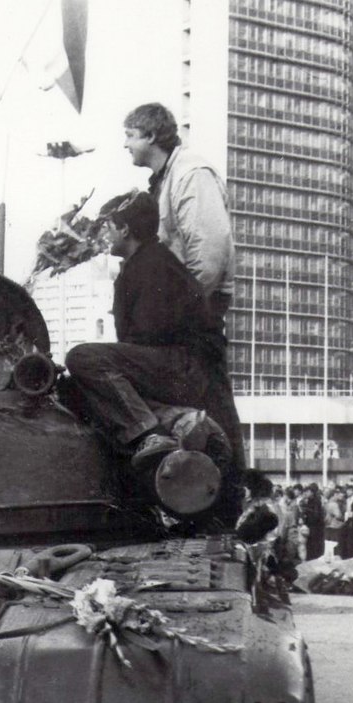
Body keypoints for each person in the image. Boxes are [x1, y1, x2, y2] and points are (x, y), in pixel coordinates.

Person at [64, 191, 226, 466]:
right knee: (77, 386)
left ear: (125, 229)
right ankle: (170, 420)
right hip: (180, 367)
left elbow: (148, 335)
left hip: (183, 368)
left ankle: (149, 433)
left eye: (109, 226)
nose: (105, 234)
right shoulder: (147, 262)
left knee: (82, 358)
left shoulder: (151, 265)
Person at [123, 102, 244, 470]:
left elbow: (208, 250)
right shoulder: (167, 177)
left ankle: (230, 488)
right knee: (202, 399)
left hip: (194, 310)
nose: (125, 145)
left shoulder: (190, 173)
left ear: (151, 136)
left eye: (130, 135)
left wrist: (178, 311)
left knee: (211, 400)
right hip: (185, 309)